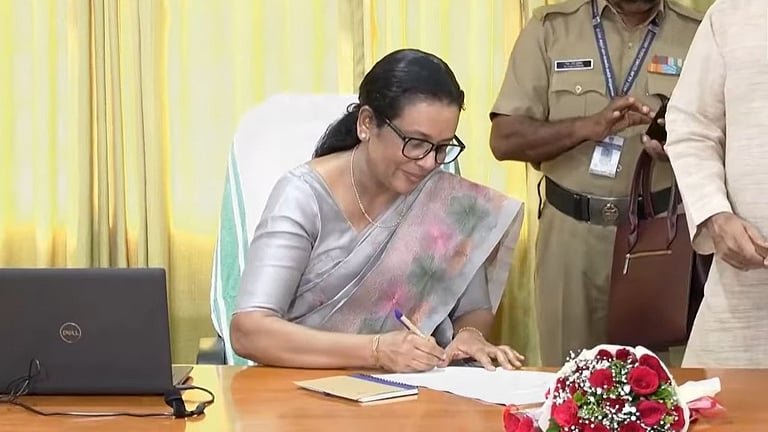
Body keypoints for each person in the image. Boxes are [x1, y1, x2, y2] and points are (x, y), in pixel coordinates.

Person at [230, 49, 525, 373]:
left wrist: (470, 336)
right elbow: (249, 330)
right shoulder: (302, 197)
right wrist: (376, 351)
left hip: (416, 389)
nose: (429, 162)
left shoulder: (444, 198)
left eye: (442, 147)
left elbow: (473, 308)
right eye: (416, 142)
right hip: (304, 384)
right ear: (367, 123)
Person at [488, 0, 702, 366]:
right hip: (571, 239)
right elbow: (504, 140)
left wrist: (680, 146)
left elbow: (730, 137)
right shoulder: (551, 28)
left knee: (654, 381)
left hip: (659, 239)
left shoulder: (698, 33)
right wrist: (587, 127)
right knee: (568, 372)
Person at [665, 0, 768, 368]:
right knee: (721, 401)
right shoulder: (731, 14)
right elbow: (691, 125)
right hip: (747, 295)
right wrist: (714, 214)